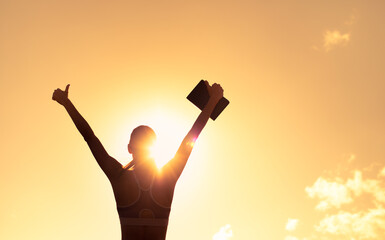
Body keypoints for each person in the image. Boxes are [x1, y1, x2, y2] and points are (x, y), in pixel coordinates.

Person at [52, 82, 224, 240]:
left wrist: (67, 103)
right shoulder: (166, 179)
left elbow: (89, 137)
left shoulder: (119, 177)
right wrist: (213, 100)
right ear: (155, 149)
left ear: (129, 149)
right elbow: (191, 138)